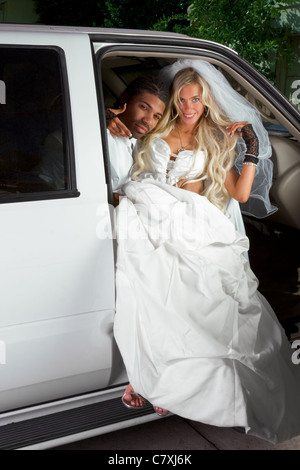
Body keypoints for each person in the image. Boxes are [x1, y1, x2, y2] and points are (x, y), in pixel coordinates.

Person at [112, 59, 300, 443]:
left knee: (219, 298)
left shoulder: (216, 139)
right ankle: (166, 379)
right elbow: (146, 180)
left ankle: (191, 384)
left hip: (201, 219)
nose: (188, 108)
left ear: (205, 100)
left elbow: (241, 195)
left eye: (195, 99)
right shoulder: (157, 136)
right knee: (167, 281)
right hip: (166, 214)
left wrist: (248, 150)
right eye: (181, 100)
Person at [105, 76, 168, 206]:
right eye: (144, 108)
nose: (148, 120)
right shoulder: (100, 134)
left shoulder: (147, 145)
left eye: (156, 116)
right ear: (124, 100)